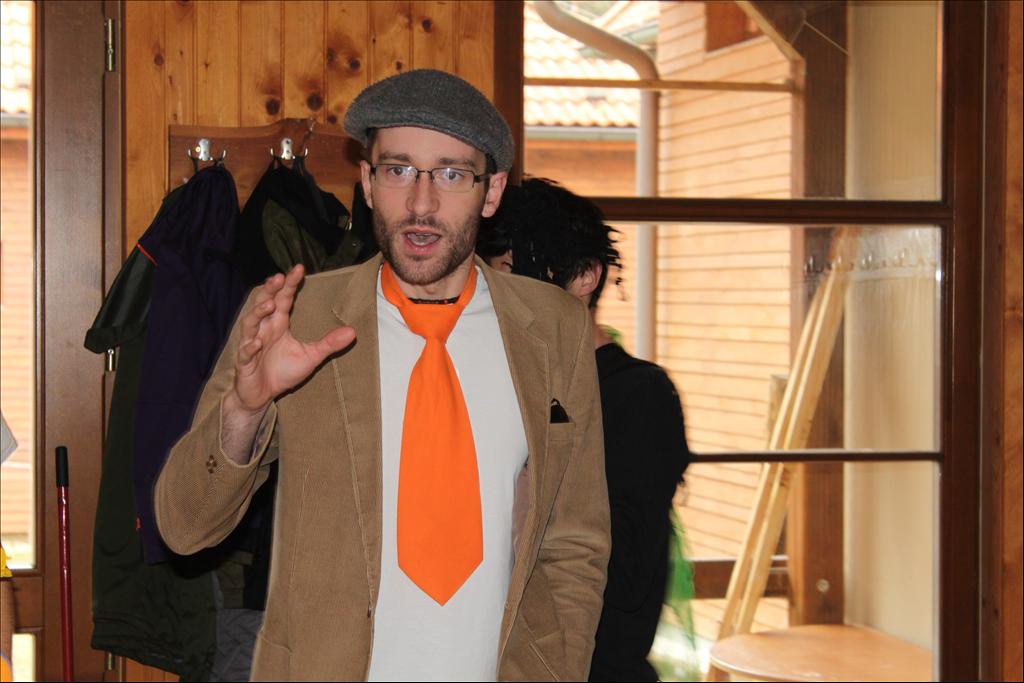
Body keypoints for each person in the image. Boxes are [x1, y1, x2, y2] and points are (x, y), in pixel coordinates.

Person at [154, 70, 610, 682]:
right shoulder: (298, 315)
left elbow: (576, 541)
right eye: (398, 170)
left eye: (451, 174)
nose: (421, 204)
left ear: (492, 191)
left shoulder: (554, 329)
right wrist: (245, 410)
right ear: (368, 182)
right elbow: (184, 529)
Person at [479, 178, 692, 682]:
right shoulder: (505, 383)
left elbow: (626, 577)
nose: (502, 303)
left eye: (515, 276)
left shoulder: (638, 394)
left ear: (584, 277)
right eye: (492, 283)